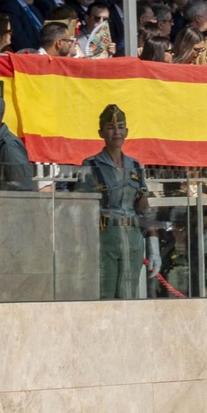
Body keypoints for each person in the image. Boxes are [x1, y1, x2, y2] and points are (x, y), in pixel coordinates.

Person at [83, 104, 150, 300]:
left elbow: (144, 207)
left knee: (129, 297)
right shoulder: (91, 165)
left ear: (127, 131)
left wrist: (153, 243)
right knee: (106, 297)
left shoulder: (135, 166)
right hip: (106, 237)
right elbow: (83, 208)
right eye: (111, 128)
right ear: (101, 132)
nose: (117, 132)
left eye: (121, 127)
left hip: (133, 237)